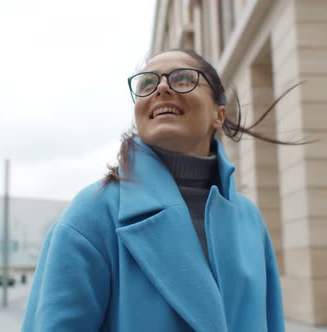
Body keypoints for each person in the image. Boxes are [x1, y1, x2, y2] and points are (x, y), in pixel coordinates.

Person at [22, 48, 289, 332]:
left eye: (183, 78)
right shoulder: (92, 213)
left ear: (218, 115)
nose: (161, 87)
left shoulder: (249, 219)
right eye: (147, 83)